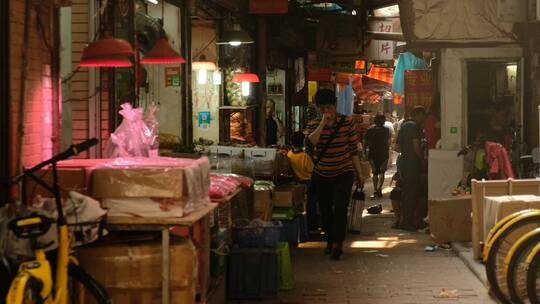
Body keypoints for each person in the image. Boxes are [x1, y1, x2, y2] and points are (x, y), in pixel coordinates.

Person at [307, 89, 365, 260]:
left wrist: (359, 174)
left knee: (340, 207)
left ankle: (338, 243)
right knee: (325, 209)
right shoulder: (314, 124)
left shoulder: (347, 122)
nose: (327, 111)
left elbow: (353, 151)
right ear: (318, 108)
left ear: (335, 105)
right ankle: (329, 240)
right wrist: (323, 123)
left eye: (329, 107)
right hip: (322, 173)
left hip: (344, 171)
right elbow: (311, 142)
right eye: (323, 108)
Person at [395, 106, 427, 230]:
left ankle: (405, 220)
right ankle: (407, 222)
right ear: (418, 114)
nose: (424, 119)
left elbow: (397, 147)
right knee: (411, 192)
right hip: (412, 164)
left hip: (404, 162)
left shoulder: (404, 125)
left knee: (406, 191)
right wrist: (422, 160)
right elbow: (416, 146)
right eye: (423, 116)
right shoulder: (415, 127)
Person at [287, 131, 318, 233]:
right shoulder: (305, 157)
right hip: (309, 183)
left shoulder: (289, 154)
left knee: (299, 207)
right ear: (303, 143)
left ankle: (303, 228)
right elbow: (313, 171)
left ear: (291, 142)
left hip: (297, 183)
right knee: (311, 205)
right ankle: (312, 226)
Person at [364, 113, 390, 198]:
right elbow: (388, 141)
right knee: (382, 172)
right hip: (383, 153)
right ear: (383, 121)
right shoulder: (386, 130)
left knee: (375, 172)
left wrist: (365, 152)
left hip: (373, 153)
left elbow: (365, 143)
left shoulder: (369, 130)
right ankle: (379, 189)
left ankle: (375, 190)